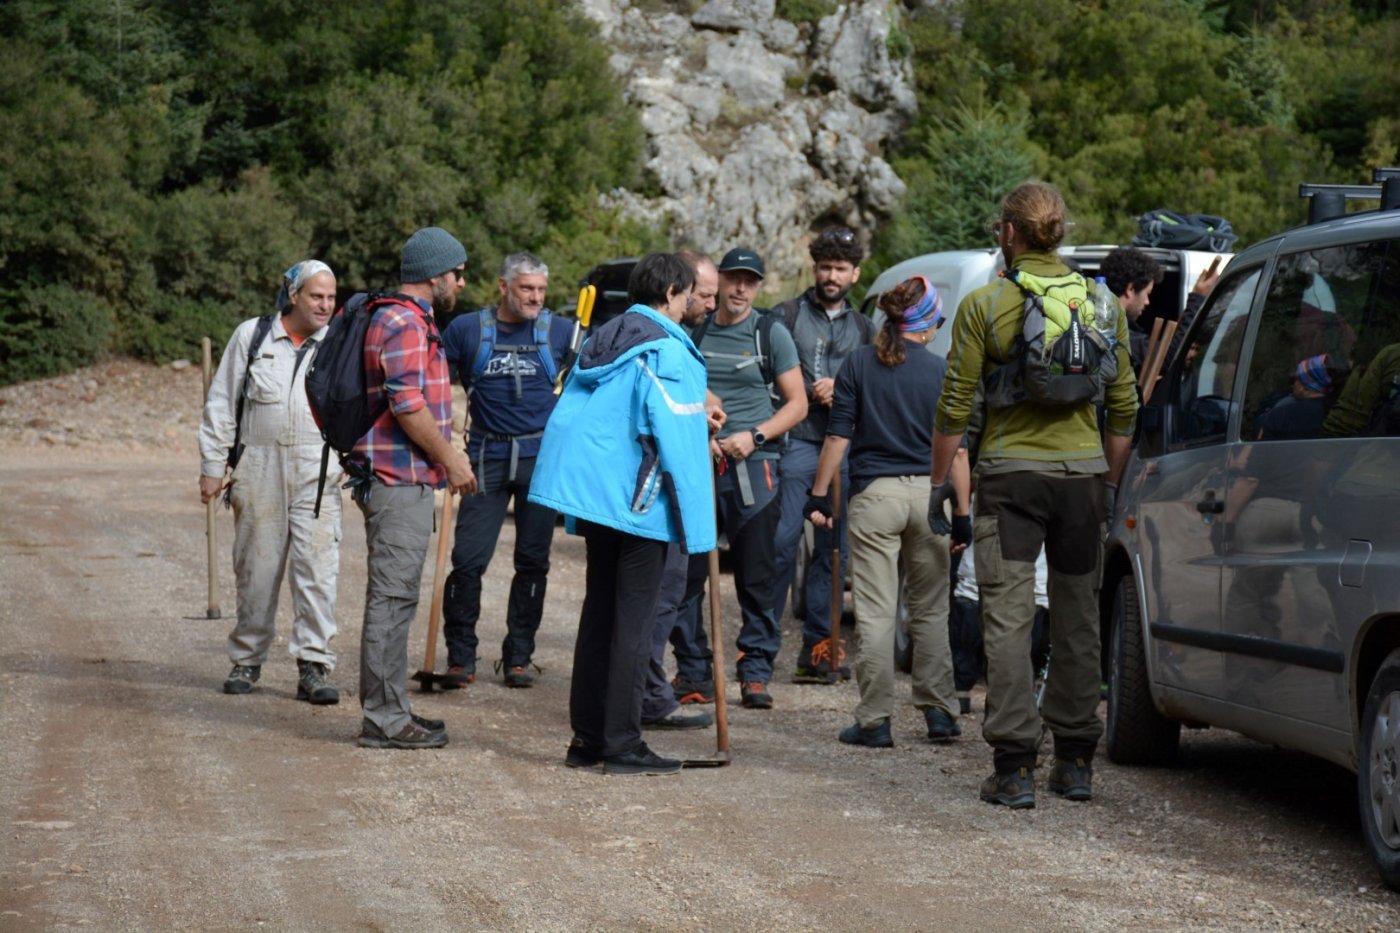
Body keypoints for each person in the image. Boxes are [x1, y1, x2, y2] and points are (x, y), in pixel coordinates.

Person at [930, 181, 1139, 808]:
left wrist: (941, 483)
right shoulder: (1104, 307)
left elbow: (954, 404)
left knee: (1008, 619)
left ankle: (1015, 768)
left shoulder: (987, 304)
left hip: (1009, 481)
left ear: (1008, 233)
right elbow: (1124, 408)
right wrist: (1105, 483)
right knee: (1078, 617)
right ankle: (1075, 763)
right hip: (1081, 482)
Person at [529, 252, 716, 775]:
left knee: (600, 617)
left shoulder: (605, 339)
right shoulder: (668, 352)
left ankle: (587, 739)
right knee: (634, 625)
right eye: (689, 295)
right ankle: (623, 743)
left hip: (599, 501)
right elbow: (680, 446)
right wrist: (698, 530)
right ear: (674, 293)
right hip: (641, 505)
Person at [806, 276, 968, 746]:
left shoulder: (859, 363)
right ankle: (940, 712)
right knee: (931, 610)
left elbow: (838, 437)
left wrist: (818, 495)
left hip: (875, 498)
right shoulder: (942, 371)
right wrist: (961, 511)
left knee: (876, 613)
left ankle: (875, 720)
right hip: (930, 497)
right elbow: (957, 452)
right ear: (928, 323)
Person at [351, 227, 477, 750]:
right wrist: (451, 461)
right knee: (391, 598)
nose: (462, 284)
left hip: (401, 480)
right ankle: (383, 719)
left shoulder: (408, 319)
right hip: (397, 480)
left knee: (396, 598)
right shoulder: (403, 321)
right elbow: (407, 404)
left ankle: (391, 708)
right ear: (434, 274)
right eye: (457, 273)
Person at [199, 260, 344, 704]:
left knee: (317, 573)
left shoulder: (339, 343)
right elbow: (222, 404)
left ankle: (314, 666)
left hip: (317, 471)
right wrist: (211, 465)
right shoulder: (253, 336)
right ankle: (247, 659)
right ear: (293, 295)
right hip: (257, 467)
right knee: (256, 569)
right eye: (316, 296)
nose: (324, 305)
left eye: (331, 297)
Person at [438, 253, 572, 689]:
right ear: (503, 287)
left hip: (540, 460)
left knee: (533, 562)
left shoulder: (562, 332)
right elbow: (435, 387)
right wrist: (443, 453)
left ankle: (518, 656)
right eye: (525, 289)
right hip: (484, 459)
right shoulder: (467, 331)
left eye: (540, 290)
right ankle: (461, 657)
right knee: (467, 561)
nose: (534, 298)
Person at [693, 247, 807, 709]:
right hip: (701, 461)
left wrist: (754, 436)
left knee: (757, 573)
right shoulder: (694, 329)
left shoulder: (769, 333)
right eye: (734, 278)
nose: (741, 288)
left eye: (751, 281)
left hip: (754, 465)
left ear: (758, 287)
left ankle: (755, 669)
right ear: (719, 280)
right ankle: (695, 670)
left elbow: (797, 404)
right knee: (688, 574)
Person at [769, 227, 874, 682]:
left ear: (856, 273)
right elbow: (764, 375)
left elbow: (877, 389)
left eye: (840, 268)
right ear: (814, 268)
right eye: (825, 267)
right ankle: (758, 650)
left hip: (844, 450)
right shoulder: (786, 316)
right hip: (795, 444)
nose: (831, 276)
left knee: (833, 554)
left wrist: (845, 390)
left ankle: (818, 648)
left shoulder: (866, 328)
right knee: (779, 544)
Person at [640, 250, 720, 730]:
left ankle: (645, 694)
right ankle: (647, 698)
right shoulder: (665, 341)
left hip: (657, 495)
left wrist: (704, 406)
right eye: (699, 294)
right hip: (658, 496)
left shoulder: (673, 335)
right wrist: (699, 426)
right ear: (676, 291)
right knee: (659, 596)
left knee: (667, 594)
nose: (705, 303)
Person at [1099, 247, 1163, 372]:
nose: (1147, 302)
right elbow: (1167, 359)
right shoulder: (1116, 332)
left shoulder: (1086, 315)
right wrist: (1197, 298)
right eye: (1147, 293)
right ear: (1131, 289)